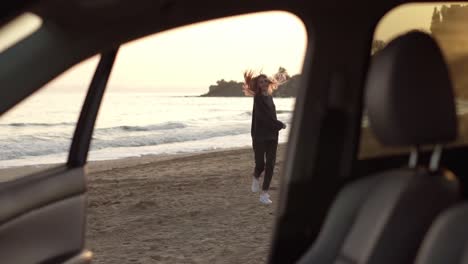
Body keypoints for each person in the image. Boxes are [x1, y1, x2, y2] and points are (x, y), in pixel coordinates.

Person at [243, 70, 287, 204]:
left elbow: (271, 116)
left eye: (265, 81)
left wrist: (276, 126)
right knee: (261, 164)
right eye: (260, 82)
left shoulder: (269, 96)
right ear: (257, 85)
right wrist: (279, 124)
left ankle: (264, 194)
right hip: (260, 135)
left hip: (272, 134)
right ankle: (256, 177)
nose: (263, 83)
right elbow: (263, 117)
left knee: (271, 164)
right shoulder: (258, 98)